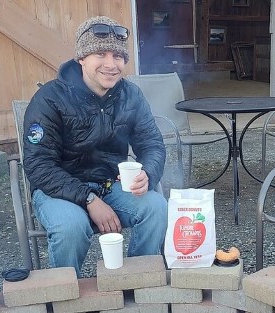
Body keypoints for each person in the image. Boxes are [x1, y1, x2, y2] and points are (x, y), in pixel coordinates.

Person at [23, 16, 167, 276]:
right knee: (70, 227)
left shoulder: (130, 95)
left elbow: (152, 144)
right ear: (82, 58)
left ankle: (138, 285)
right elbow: (38, 164)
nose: (111, 65)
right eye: (100, 54)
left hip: (111, 185)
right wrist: (88, 199)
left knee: (156, 208)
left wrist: (149, 173)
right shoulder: (49, 98)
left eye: (118, 56)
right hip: (59, 190)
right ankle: (66, 298)